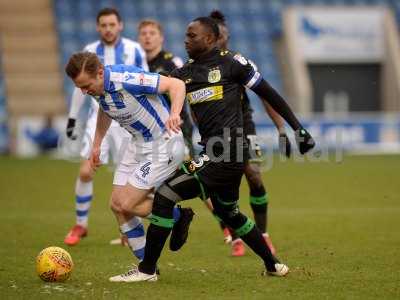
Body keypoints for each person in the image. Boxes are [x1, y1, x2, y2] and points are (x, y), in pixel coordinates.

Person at [119, 16, 315, 282]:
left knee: (165, 195)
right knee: (228, 212)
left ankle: (146, 270)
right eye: (186, 36)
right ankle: (273, 265)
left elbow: (268, 92)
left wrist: (297, 128)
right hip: (216, 152)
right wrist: (117, 84)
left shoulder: (232, 62)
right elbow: (156, 85)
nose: (186, 40)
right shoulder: (184, 73)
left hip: (228, 151)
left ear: (209, 39)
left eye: (192, 36)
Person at [65, 51, 194, 278]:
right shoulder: (97, 88)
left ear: (100, 72)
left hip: (163, 144)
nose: (84, 91)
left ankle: (176, 217)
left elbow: (176, 85)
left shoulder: (127, 78)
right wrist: (97, 144)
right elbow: (105, 109)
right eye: (80, 88)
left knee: (126, 203)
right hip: (138, 144)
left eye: (86, 85)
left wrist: (175, 113)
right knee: (117, 205)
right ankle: (147, 266)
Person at [206, 10, 292, 256]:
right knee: (221, 183)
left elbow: (265, 94)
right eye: (221, 36)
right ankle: (235, 235)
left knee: (253, 175)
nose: (225, 40)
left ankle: (263, 235)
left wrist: (281, 128)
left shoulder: (240, 63)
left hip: (243, 126)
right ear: (211, 38)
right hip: (215, 131)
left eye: (227, 36)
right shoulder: (200, 67)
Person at [64, 8, 148, 246]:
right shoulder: (90, 52)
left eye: (112, 24)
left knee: (128, 179)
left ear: (120, 25)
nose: (108, 29)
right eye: (103, 25)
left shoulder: (134, 50)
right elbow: (80, 88)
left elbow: (146, 79)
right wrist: (72, 119)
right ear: (98, 27)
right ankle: (81, 225)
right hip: (98, 118)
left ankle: (127, 230)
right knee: (85, 171)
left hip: (127, 121)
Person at [137, 19, 195, 158]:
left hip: (176, 124)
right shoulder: (135, 64)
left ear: (161, 38)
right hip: (149, 127)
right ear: (138, 38)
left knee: (184, 171)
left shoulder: (171, 62)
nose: (147, 37)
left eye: (152, 33)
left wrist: (177, 116)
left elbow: (182, 91)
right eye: (143, 33)